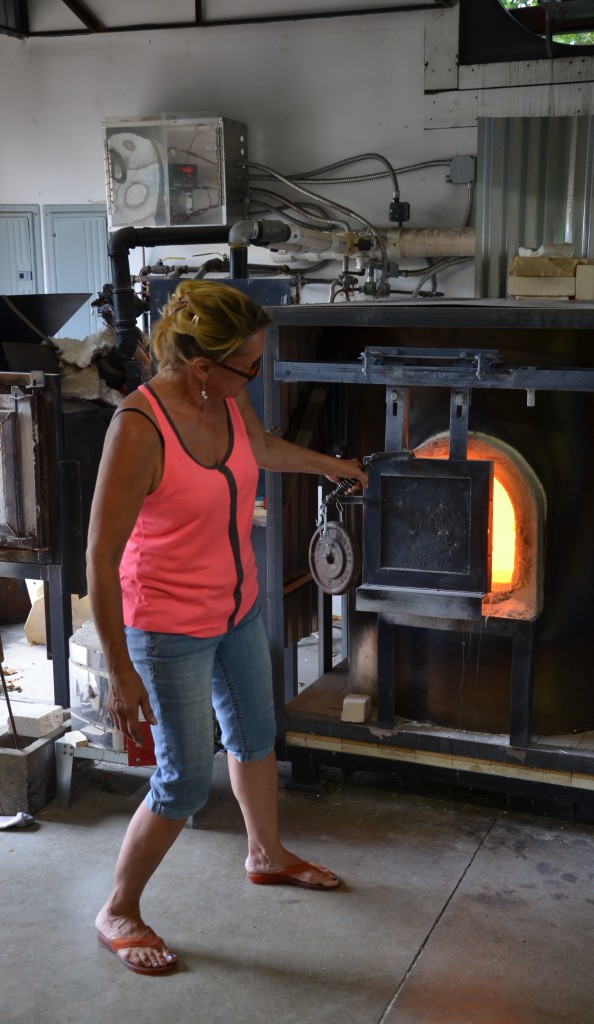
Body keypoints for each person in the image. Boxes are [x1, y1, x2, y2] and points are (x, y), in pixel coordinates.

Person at [87, 279, 367, 976]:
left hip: (237, 610)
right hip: (168, 625)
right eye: (248, 365)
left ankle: (265, 854)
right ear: (201, 364)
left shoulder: (228, 396)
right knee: (182, 782)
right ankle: (118, 908)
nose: (256, 375)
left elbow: (263, 447)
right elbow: (100, 555)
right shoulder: (138, 428)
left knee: (255, 737)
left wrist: (330, 465)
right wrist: (120, 670)